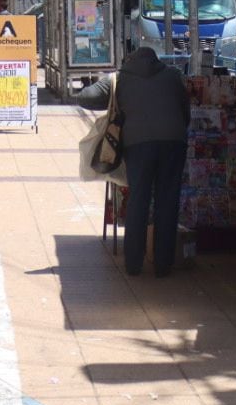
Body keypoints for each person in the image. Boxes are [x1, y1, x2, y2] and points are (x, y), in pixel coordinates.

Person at [75, 46, 190, 277]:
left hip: (138, 145)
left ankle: (134, 264)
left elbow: (84, 97)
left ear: (129, 59)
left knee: (139, 199)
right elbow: (185, 112)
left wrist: (111, 95)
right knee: (167, 202)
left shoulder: (119, 78)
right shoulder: (173, 76)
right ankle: (162, 265)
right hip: (173, 142)